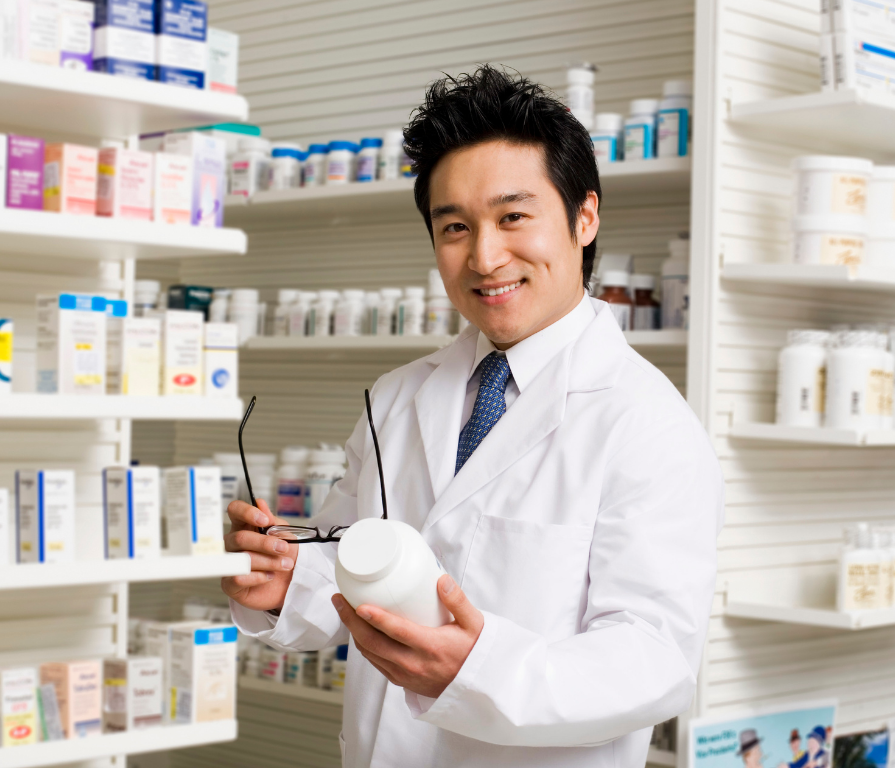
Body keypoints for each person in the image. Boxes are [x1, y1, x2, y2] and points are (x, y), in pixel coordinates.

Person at [221, 65, 723, 768]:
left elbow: (654, 659)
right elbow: (348, 566)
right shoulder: (395, 399)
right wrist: (284, 584)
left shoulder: (647, 424)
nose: (485, 257)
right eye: (455, 227)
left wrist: (480, 670)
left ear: (584, 217)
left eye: (514, 216)